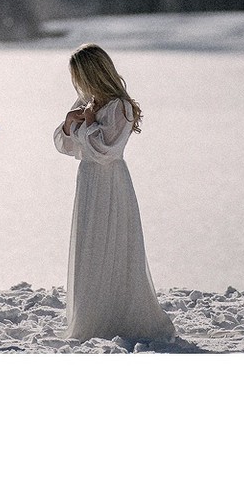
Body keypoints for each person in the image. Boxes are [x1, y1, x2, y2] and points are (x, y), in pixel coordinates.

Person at [52, 43, 174, 344]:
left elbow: (104, 149)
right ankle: (92, 315)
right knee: (91, 244)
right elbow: (66, 145)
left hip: (110, 181)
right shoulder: (88, 101)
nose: (77, 84)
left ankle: (120, 315)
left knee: (114, 243)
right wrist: (70, 124)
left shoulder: (119, 107)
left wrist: (88, 123)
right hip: (90, 180)